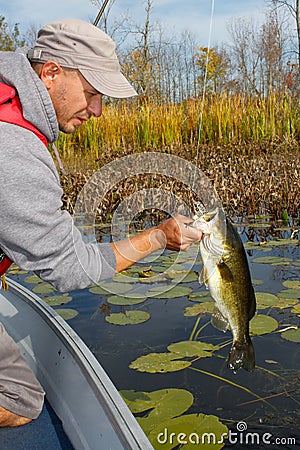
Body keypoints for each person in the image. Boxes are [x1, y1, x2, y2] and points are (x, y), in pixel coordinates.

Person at [0, 19, 202, 427]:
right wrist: (159, 237)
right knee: (21, 402)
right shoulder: (14, 146)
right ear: (50, 72)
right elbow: (69, 268)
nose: (97, 110)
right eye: (92, 93)